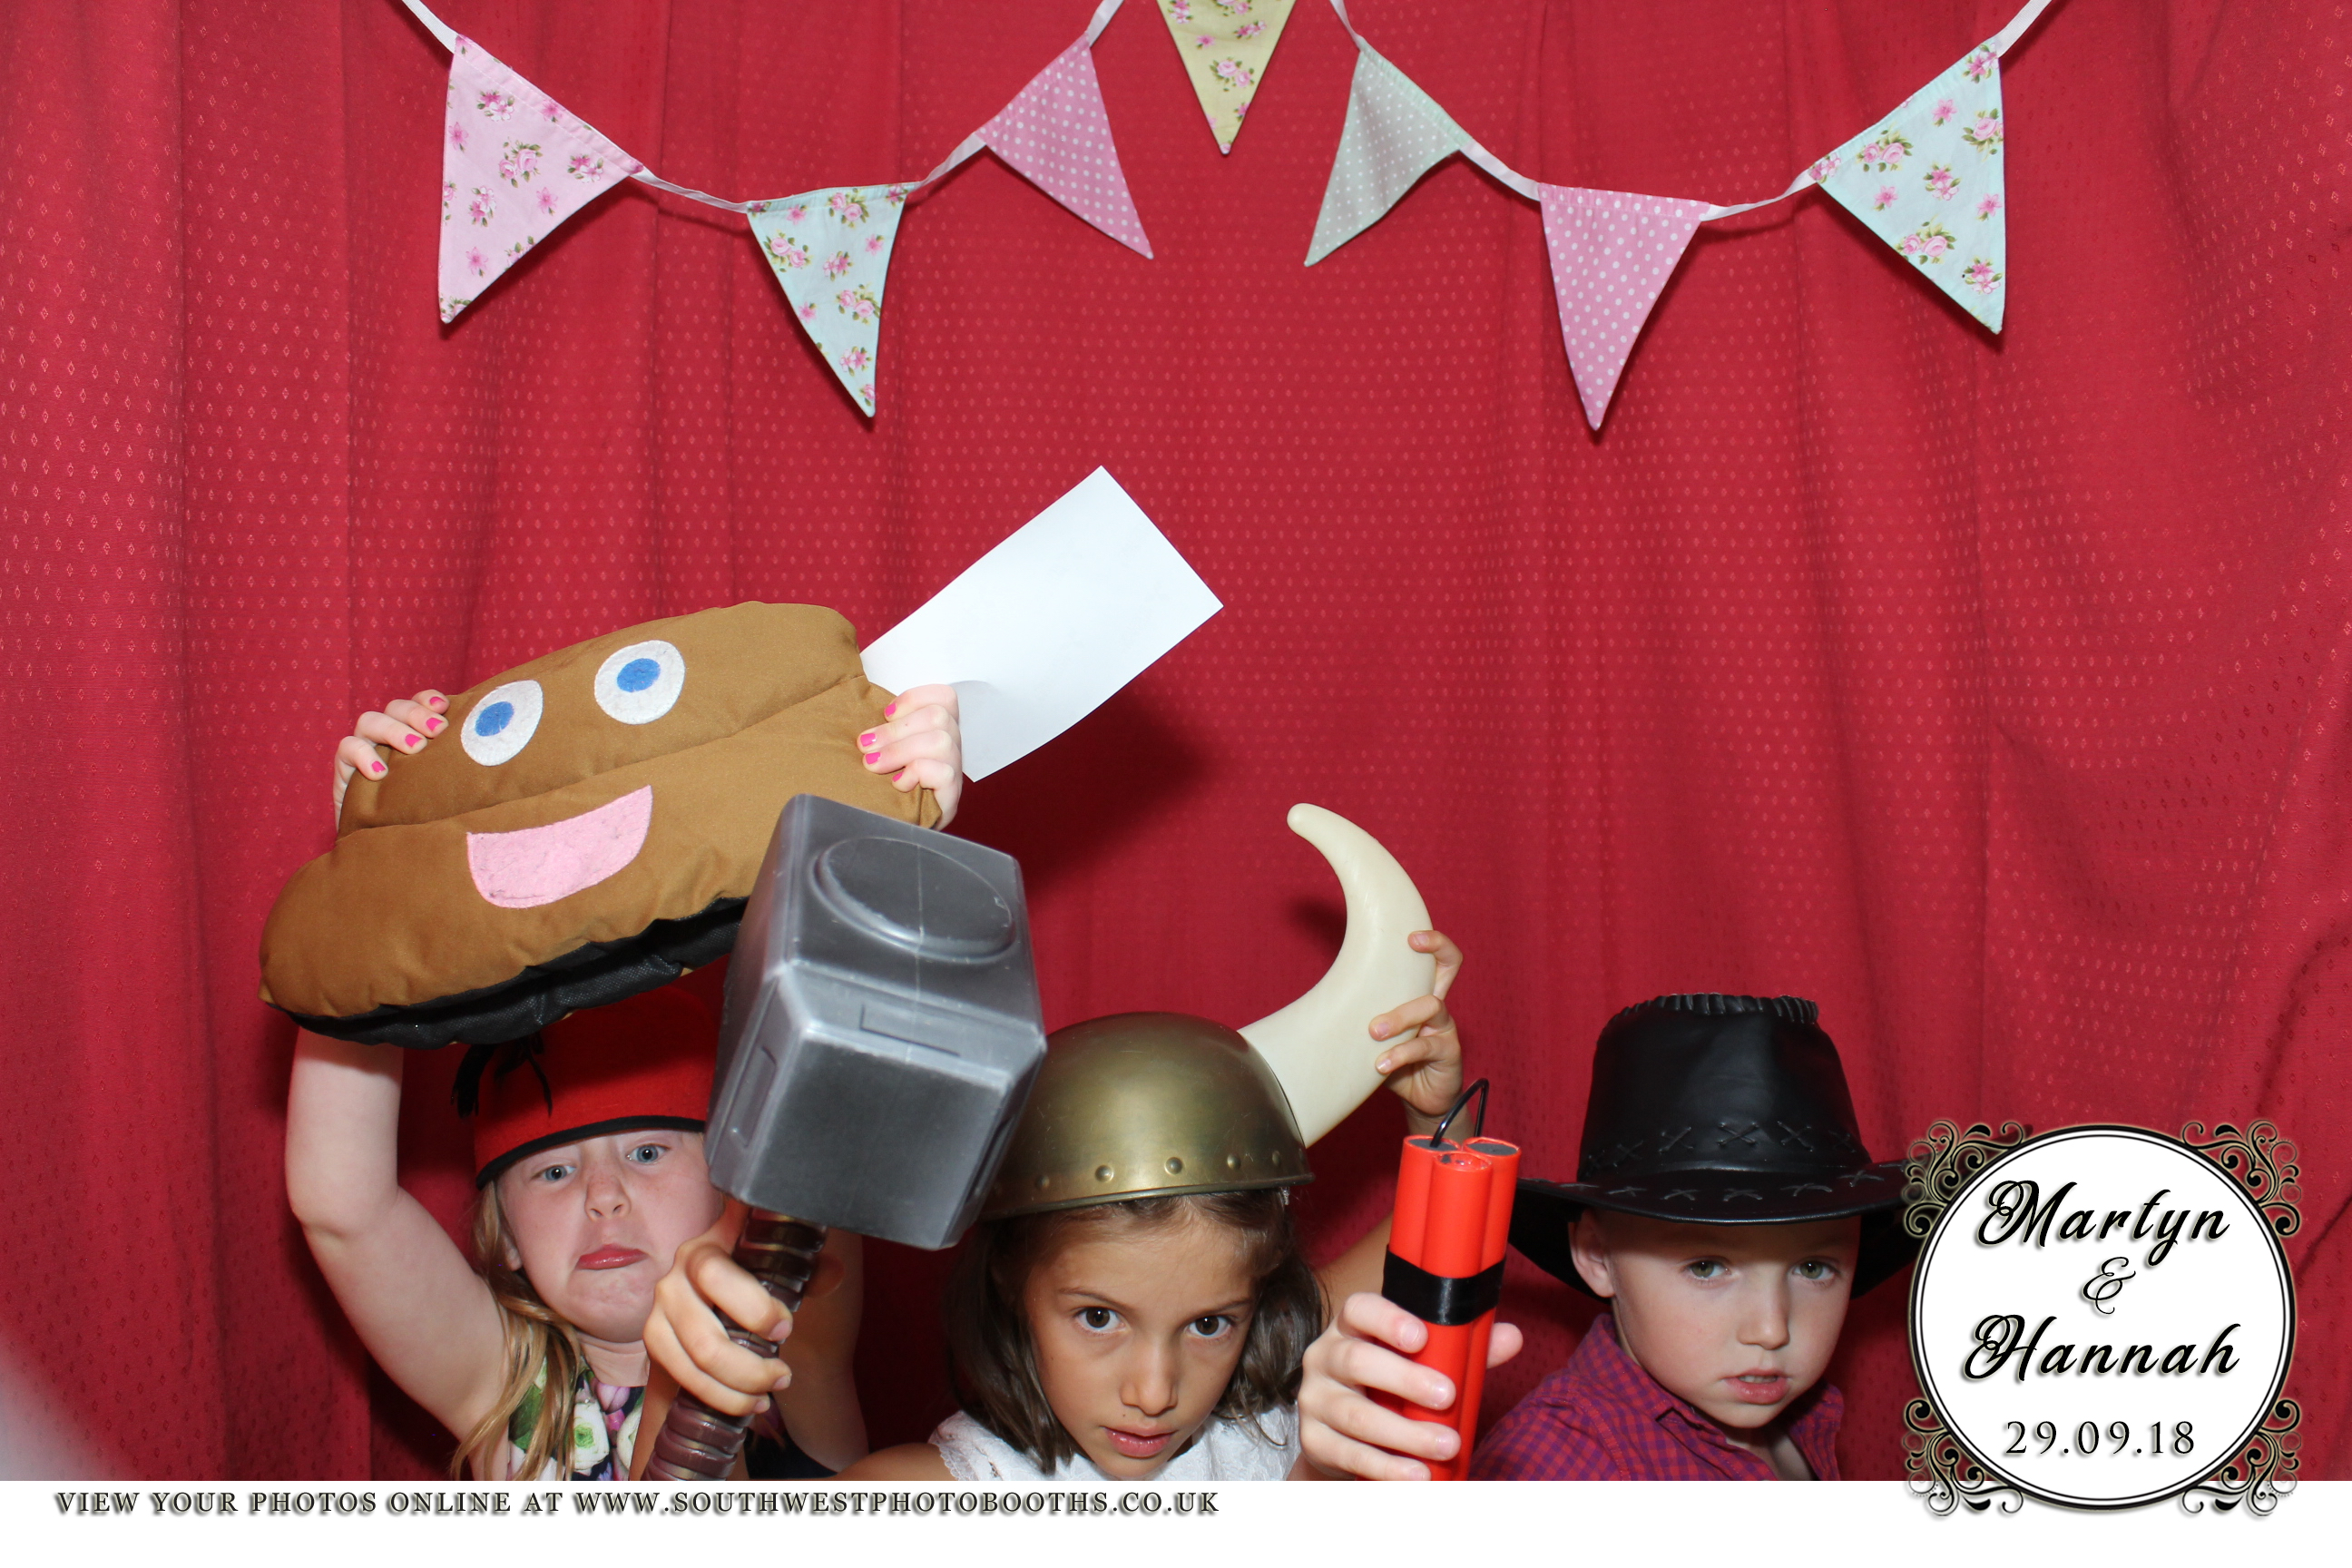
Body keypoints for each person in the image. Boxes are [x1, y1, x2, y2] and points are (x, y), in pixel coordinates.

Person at [286, 683, 964, 1478]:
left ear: (735, 1175)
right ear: (501, 1233)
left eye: (647, 1153)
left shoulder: (789, 1359)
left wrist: (887, 832)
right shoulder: (505, 1389)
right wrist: (369, 889)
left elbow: (824, 1100)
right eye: (553, 1170)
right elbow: (344, 1206)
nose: (602, 1198)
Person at [642, 935, 1493, 1483]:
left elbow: (1430, 1258)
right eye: (1097, 1317)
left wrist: (1435, 1120)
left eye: (1209, 1325)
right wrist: (684, 1389)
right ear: (1013, 1284)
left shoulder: (1276, 1432)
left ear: (1260, 1305)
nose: (1154, 1391)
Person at [1293, 994, 1916, 1480]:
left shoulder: (1803, 1422)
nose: (1771, 1329)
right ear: (1597, 1256)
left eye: (1813, 1269)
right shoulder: (1562, 1471)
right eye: (1706, 1266)